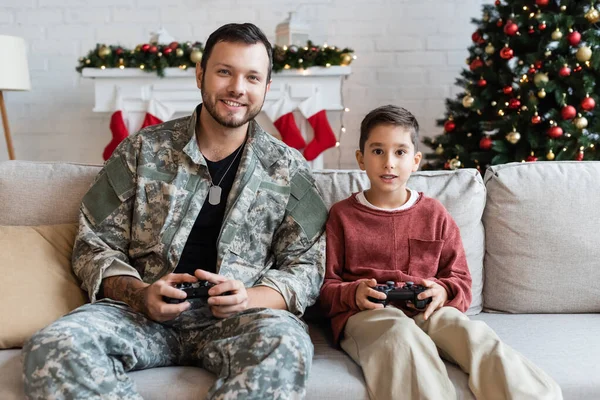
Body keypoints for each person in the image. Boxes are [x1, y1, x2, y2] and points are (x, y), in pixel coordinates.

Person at [22, 23, 328, 400]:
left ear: (266, 88)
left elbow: (308, 266)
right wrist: (140, 294)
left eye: (252, 77)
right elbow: (94, 244)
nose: (237, 88)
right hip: (141, 316)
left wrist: (250, 297)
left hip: (243, 319)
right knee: (54, 346)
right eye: (224, 72)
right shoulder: (140, 150)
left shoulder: (290, 169)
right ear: (200, 74)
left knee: (286, 345)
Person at [319, 105, 562, 400]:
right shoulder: (341, 216)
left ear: (415, 161)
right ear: (361, 158)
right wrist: (352, 293)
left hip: (427, 309)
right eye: (378, 151)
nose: (389, 163)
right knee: (400, 338)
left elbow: (460, 279)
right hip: (368, 314)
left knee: (473, 335)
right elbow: (322, 288)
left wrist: (443, 291)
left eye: (400, 152)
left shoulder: (434, 214)